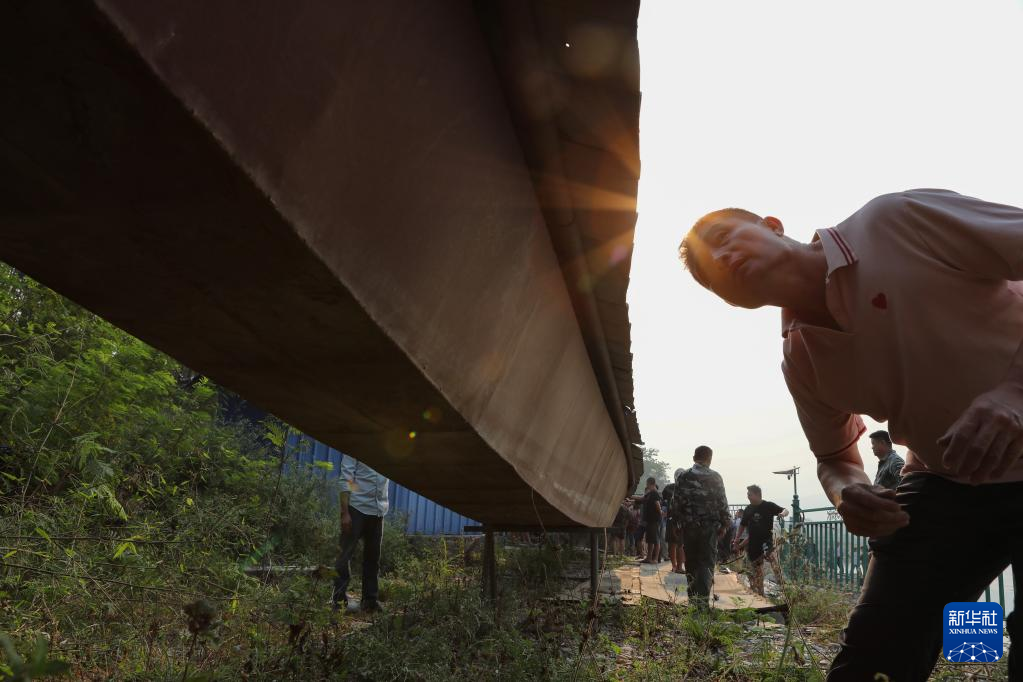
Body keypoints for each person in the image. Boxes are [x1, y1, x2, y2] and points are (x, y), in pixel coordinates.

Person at [678, 189, 1023, 680]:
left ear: (772, 224)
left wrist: (1014, 392)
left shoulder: (892, 223)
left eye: (722, 237)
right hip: (949, 480)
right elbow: (835, 458)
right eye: (709, 275)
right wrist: (848, 494)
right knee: (875, 650)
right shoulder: (801, 359)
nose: (720, 259)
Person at [673, 445, 730, 608]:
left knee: (691, 561)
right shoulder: (716, 477)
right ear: (710, 459)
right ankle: (702, 602)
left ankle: (693, 600)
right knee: (706, 562)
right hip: (709, 528)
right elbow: (722, 503)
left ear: (694, 458)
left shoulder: (683, 476)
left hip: (689, 527)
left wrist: (676, 524)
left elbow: (676, 503)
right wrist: (725, 524)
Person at [332, 455, 389, 613]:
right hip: (356, 509)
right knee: (344, 556)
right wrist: (345, 513)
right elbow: (346, 480)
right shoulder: (354, 449)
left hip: (378, 511)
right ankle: (339, 602)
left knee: (373, 559)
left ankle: (370, 601)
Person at [735, 485, 789, 596]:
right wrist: (736, 539)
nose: (748, 497)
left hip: (767, 542)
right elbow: (742, 525)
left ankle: (785, 591)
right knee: (757, 571)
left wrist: (782, 514)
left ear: (757, 495)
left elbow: (786, 510)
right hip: (753, 544)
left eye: (750, 495)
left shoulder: (768, 506)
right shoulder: (748, 509)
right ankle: (761, 595)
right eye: (747, 495)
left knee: (774, 563)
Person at [664, 468, 686, 573]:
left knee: (679, 544)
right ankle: (675, 566)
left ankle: (678, 566)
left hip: (681, 519)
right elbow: (664, 503)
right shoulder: (668, 488)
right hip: (672, 519)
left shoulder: (686, 489)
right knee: (673, 543)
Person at [640, 477, 662, 564]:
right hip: (649, 520)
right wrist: (630, 497)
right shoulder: (649, 493)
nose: (646, 485)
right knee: (650, 540)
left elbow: (657, 504)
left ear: (650, 483)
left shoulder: (654, 493)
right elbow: (642, 498)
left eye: (647, 484)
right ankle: (649, 558)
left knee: (656, 539)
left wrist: (660, 512)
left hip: (654, 520)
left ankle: (655, 559)